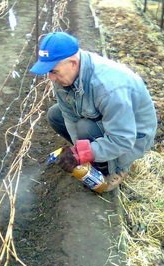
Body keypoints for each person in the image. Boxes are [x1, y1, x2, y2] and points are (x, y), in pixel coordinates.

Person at [30, 32, 157, 192]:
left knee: (84, 127)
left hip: (133, 139)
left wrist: (82, 153)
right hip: (106, 123)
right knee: (55, 115)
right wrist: (78, 150)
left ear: (73, 63)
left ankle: (116, 168)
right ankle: (98, 157)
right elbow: (69, 117)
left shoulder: (108, 87)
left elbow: (123, 139)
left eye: (53, 71)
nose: (50, 78)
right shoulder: (65, 75)